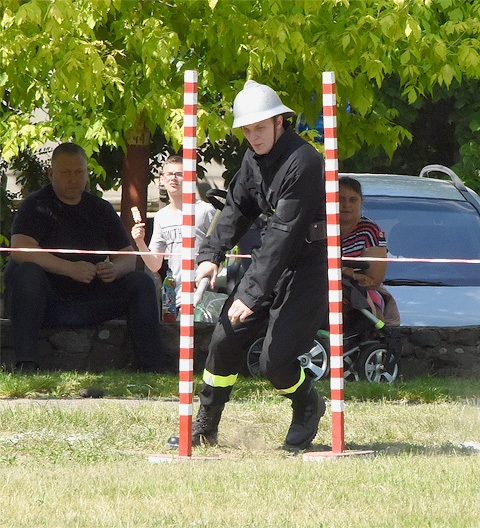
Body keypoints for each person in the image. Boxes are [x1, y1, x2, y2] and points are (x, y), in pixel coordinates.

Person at [167, 80, 328, 451]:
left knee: (276, 362)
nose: (253, 137)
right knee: (224, 339)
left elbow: (284, 235)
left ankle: (307, 404)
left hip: (306, 266)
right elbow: (237, 209)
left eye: (259, 128)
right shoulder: (252, 159)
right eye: (247, 130)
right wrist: (210, 255)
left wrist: (250, 293)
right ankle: (206, 424)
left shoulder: (304, 161)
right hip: (270, 262)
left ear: (279, 121)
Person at [3, 142, 168, 373]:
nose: (73, 179)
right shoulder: (35, 205)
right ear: (51, 174)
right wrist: (69, 268)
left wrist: (114, 270)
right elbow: (21, 249)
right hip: (45, 301)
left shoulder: (101, 208)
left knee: (141, 282)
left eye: (78, 172)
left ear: (86, 173)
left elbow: (127, 257)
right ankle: (26, 363)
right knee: (27, 273)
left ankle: (152, 368)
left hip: (90, 298)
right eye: (66, 172)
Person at [130, 155, 216, 310]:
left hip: (204, 296)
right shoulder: (161, 217)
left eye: (179, 174)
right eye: (169, 174)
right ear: (162, 179)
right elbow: (155, 264)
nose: (173, 178)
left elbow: (220, 249)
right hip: (173, 299)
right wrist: (140, 242)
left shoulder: (205, 211)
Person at [339, 176, 388, 316]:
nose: (346, 205)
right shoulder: (319, 227)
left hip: (359, 293)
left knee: (373, 316)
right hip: (320, 289)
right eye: (340, 199)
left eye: (352, 200)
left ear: (361, 201)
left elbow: (373, 281)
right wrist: (350, 272)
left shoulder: (369, 231)